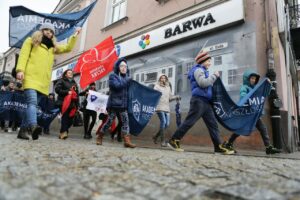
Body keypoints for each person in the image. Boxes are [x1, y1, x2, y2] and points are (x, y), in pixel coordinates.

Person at [15, 22, 80, 140]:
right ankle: (33, 126)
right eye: (47, 30)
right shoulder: (31, 41)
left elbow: (67, 48)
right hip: (30, 77)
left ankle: (23, 130)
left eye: (51, 32)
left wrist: (74, 35)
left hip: (43, 81)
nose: (49, 33)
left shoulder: (52, 47)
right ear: (41, 30)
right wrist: (20, 70)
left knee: (32, 105)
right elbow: (23, 56)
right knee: (32, 102)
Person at [167, 50, 234, 154]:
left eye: (210, 61)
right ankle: (174, 140)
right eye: (208, 61)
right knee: (189, 122)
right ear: (202, 61)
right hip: (198, 101)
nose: (210, 63)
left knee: (213, 125)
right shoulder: (198, 70)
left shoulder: (203, 71)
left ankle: (218, 147)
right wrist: (214, 76)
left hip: (205, 102)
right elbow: (203, 83)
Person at [223, 70, 281, 155]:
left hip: (254, 113)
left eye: (255, 79)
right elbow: (243, 96)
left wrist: (269, 84)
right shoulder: (244, 87)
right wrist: (248, 96)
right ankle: (228, 143)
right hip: (246, 113)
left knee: (262, 128)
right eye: (252, 78)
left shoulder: (256, 88)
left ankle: (268, 147)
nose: (253, 80)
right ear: (247, 79)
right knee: (240, 129)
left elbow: (265, 93)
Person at [96, 58, 136, 148]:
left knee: (126, 122)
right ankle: (100, 136)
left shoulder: (126, 78)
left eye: (125, 66)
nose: (123, 68)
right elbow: (117, 86)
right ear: (118, 67)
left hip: (123, 105)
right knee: (109, 122)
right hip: (114, 104)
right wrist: (128, 80)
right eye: (121, 66)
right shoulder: (113, 76)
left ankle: (127, 140)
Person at [152, 74, 180, 147]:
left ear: (166, 79)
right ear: (159, 79)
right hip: (159, 107)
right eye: (161, 78)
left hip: (166, 108)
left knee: (166, 124)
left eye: (164, 78)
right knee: (163, 122)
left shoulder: (168, 87)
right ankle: (162, 141)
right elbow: (153, 96)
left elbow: (170, 98)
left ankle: (155, 137)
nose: (163, 79)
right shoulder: (156, 87)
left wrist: (176, 97)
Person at [55, 69, 79, 139]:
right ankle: (64, 132)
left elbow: (76, 94)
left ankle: (63, 131)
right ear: (65, 74)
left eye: (71, 73)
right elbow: (57, 89)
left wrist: (77, 105)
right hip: (63, 102)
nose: (70, 74)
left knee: (71, 119)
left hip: (72, 103)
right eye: (69, 73)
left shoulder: (74, 83)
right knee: (65, 117)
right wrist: (67, 92)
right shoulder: (61, 80)